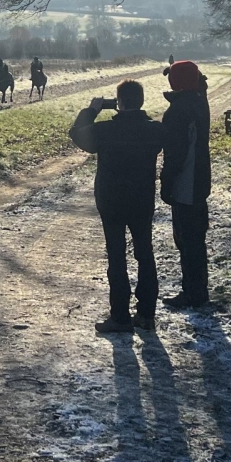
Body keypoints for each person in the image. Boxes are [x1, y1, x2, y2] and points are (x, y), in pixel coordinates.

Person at [70, 79, 166, 334]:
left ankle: (120, 316)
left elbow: (77, 133)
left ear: (119, 102)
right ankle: (146, 314)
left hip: (111, 201)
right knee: (145, 253)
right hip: (142, 199)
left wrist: (92, 110)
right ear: (141, 101)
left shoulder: (104, 130)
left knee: (117, 255)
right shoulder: (154, 130)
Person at [160, 60, 212, 309]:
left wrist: (166, 181)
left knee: (187, 239)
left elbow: (175, 153)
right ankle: (197, 290)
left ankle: (192, 292)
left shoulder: (179, 111)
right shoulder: (199, 102)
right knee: (196, 239)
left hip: (185, 183)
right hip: (199, 179)